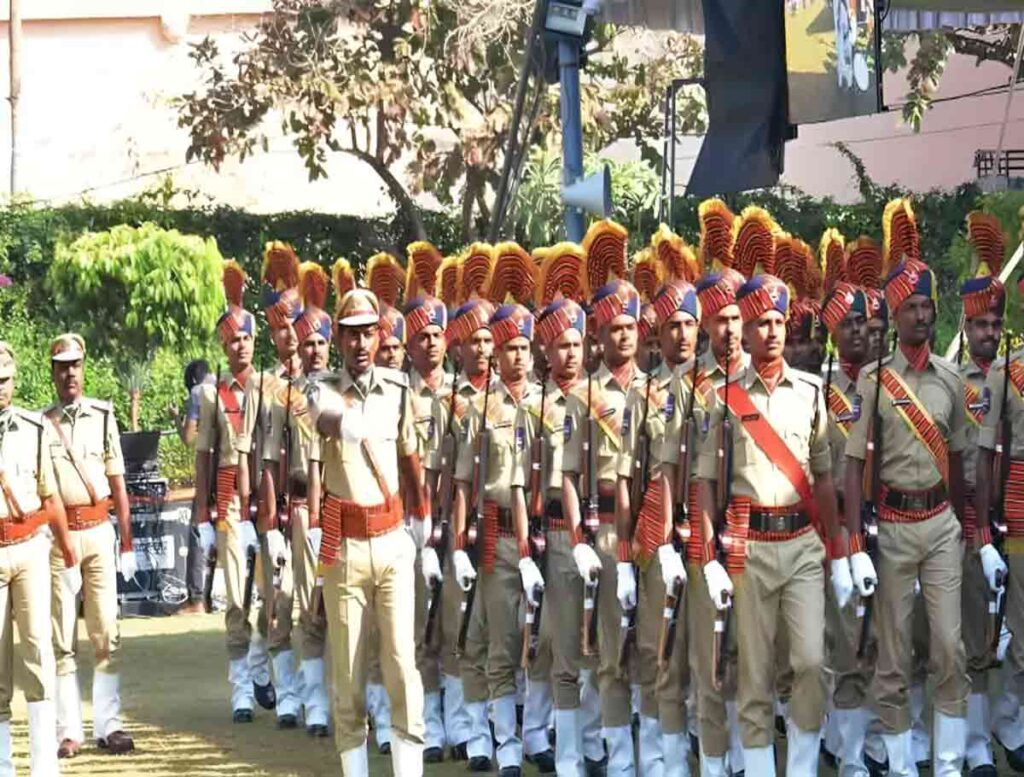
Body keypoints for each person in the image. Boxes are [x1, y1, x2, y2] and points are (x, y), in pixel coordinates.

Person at [696, 273, 850, 775]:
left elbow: (824, 479)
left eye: (780, 321)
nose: (773, 330)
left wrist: (841, 553)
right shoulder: (721, 399)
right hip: (748, 548)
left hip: (804, 543)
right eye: (762, 322)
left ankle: (802, 767)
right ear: (745, 329)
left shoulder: (810, 391)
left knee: (808, 662)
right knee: (754, 674)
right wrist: (708, 558)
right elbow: (706, 484)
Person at [845, 239, 970, 774]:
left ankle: (947, 763)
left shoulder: (951, 378)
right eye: (912, 308)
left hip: (941, 525)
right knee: (893, 659)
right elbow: (853, 467)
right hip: (892, 527)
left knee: (949, 648)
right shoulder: (874, 382)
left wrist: (970, 531)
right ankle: (898, 764)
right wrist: (854, 546)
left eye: (928, 307)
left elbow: (963, 464)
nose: (922, 316)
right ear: (894, 317)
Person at [307, 287, 428, 776]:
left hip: (392, 538)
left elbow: (411, 458)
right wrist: (352, 421)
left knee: (401, 662)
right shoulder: (322, 386)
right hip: (347, 544)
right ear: (338, 338)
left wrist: (424, 518)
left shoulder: (399, 389)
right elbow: (324, 418)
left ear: (381, 336)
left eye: (368, 334)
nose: (360, 344)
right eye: (351, 334)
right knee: (350, 673)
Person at [452, 302, 541, 777]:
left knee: (544, 643)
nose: (516, 357)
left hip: (548, 536)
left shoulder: (553, 404)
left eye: (524, 348)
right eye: (509, 348)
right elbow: (464, 481)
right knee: (498, 644)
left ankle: (537, 735)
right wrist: (458, 545)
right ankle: (503, 744)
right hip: (499, 534)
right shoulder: (481, 409)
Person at [666, 266, 747, 777]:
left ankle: (745, 758)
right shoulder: (688, 385)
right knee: (709, 659)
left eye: (737, 318)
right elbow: (673, 466)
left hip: (756, 531)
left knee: (748, 656)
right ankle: (715, 763)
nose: (730, 329)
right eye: (718, 320)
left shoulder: (760, 377)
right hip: (702, 534)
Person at [618, 281, 700, 776]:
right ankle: (661, 761)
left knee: (717, 649)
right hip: (656, 535)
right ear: (659, 332)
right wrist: (630, 555)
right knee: (659, 652)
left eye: (690, 323)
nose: (683, 334)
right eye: (674, 325)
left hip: (709, 534)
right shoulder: (642, 394)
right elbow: (628, 476)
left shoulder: (716, 386)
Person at [562, 278, 644, 774]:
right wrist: (579, 540)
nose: (624, 336)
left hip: (655, 536)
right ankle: (618, 761)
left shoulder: (661, 390)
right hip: (609, 533)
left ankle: (658, 758)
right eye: (615, 329)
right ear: (600, 334)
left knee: (657, 651)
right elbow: (569, 475)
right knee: (611, 656)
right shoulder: (584, 397)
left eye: (631, 326)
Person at [44, 333, 136, 758]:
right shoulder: (41, 424)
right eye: (62, 366)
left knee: (106, 633)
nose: (70, 373)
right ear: (53, 372)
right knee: (62, 637)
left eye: (75, 365)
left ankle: (109, 726)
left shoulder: (103, 416)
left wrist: (128, 540)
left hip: (99, 531)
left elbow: (118, 482)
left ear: (84, 367)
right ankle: (69, 731)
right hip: (59, 536)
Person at [512, 297, 592, 775]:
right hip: (557, 535)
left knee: (598, 645)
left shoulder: (600, 400)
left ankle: (597, 743)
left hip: (597, 537)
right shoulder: (534, 408)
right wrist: (526, 551)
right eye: (561, 345)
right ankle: (566, 756)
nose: (570, 354)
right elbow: (521, 484)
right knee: (558, 646)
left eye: (578, 344)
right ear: (547, 351)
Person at [261, 260, 335, 737]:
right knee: (305, 607)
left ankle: (357, 703)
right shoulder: (281, 394)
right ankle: (314, 704)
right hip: (304, 507)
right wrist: (270, 523)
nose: (310, 349)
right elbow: (269, 461)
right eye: (303, 341)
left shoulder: (348, 392)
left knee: (345, 608)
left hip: (347, 507)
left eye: (317, 341)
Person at [0, 341, 79, 776]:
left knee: (37, 653)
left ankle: (44, 765)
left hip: (29, 548)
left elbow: (50, 497)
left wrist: (66, 555)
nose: (1, 389)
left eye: (6, 380)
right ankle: (3, 764)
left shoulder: (33, 428)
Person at [424, 297, 495, 769]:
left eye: (491, 340)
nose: (485, 349)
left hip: (507, 529)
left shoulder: (524, 394)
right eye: (476, 341)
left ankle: (484, 727)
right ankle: (443, 725)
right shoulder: (449, 401)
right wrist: (439, 531)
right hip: (457, 527)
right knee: (447, 629)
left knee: (494, 634)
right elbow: (440, 473)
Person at [237, 242, 305, 728]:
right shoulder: (263, 387)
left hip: (326, 510)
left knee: (316, 606)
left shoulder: (329, 380)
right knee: (277, 602)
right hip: (279, 511)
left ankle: (315, 692)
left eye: (294, 328)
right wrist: (267, 520)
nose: (290, 338)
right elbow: (259, 457)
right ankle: (285, 693)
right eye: (280, 330)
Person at [194, 260, 264, 723]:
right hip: (229, 502)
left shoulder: (274, 388)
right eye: (231, 339)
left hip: (271, 498)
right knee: (237, 598)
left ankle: (265, 669)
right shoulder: (211, 395)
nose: (239, 345)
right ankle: (241, 688)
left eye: (245, 338)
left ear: (254, 342)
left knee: (280, 598)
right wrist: (202, 517)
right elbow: (203, 455)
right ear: (224, 344)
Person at [960, 213, 1012, 777]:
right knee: (973, 636)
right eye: (981, 324)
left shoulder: (1012, 376)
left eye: (996, 323)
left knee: (1010, 638)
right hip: (964, 521)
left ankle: (1008, 724)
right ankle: (974, 743)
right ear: (965, 324)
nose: (989, 333)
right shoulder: (953, 382)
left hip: (1008, 518)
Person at [818, 281, 874, 774]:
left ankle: (867, 752)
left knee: (881, 644)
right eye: (847, 325)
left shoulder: (888, 382)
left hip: (890, 523)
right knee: (842, 646)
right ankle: (841, 751)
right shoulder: (819, 392)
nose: (858, 331)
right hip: (835, 533)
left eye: (863, 322)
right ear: (833, 333)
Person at [975, 268, 1024, 773]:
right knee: (1022, 637)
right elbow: (987, 453)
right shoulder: (1007, 372)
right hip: (1021, 509)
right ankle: (1008, 721)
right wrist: (988, 526)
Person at [402, 295, 451, 763]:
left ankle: (458, 722)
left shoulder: (463, 394)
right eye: (423, 336)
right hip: (412, 523)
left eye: (438, 334)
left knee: (454, 624)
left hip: (456, 525)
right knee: (420, 628)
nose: (432, 343)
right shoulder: (399, 395)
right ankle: (428, 722)